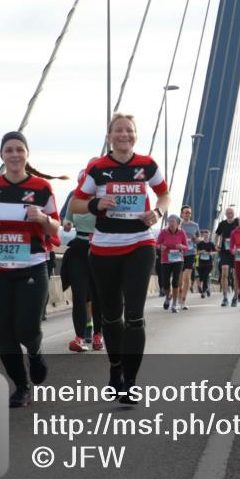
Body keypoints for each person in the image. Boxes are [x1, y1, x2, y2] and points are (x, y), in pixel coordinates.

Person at [70, 114, 169, 402]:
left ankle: (131, 382)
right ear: (109, 136)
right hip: (104, 249)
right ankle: (115, 369)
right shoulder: (98, 168)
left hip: (140, 244)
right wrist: (95, 203)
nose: (124, 135)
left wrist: (158, 212)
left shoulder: (147, 165)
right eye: (118, 130)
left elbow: (164, 194)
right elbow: (76, 204)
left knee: (135, 316)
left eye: (130, 130)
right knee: (112, 316)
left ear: (136, 135)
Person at [0, 131, 61, 408]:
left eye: (19, 149)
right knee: (2, 332)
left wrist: (43, 217)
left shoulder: (42, 188)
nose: (14, 154)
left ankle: (34, 351)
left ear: (27, 154)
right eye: (8, 150)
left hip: (32, 266)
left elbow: (56, 226)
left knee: (26, 327)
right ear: (2, 155)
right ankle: (21, 386)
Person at [61, 172, 103, 352]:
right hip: (79, 249)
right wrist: (67, 223)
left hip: (100, 249)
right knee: (79, 295)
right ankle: (79, 337)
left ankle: (97, 336)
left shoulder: (103, 199)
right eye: (80, 183)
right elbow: (66, 219)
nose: (83, 187)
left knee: (97, 295)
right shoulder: (75, 200)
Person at [156, 215, 187, 312]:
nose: (171, 223)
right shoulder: (163, 232)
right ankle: (167, 297)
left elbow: (186, 247)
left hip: (178, 259)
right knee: (165, 283)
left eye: (173, 221)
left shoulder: (182, 232)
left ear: (178, 223)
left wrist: (181, 246)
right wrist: (160, 246)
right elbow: (156, 244)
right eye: (169, 221)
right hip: (166, 259)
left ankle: (174, 304)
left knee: (175, 282)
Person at [214, 207, 239, 306]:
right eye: (228, 212)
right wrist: (216, 244)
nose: (230, 214)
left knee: (235, 275)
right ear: (225, 214)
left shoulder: (238, 222)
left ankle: (235, 297)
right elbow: (217, 235)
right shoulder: (222, 224)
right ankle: (225, 297)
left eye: (231, 212)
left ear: (234, 213)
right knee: (224, 272)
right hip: (225, 251)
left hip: (237, 252)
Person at [179, 205, 200, 309]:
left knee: (186, 277)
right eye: (186, 212)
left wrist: (196, 239)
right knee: (179, 280)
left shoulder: (195, 225)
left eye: (189, 213)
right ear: (182, 214)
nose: (187, 214)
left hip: (191, 253)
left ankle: (183, 301)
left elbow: (198, 237)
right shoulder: (178, 225)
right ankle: (178, 295)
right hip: (178, 254)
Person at [195, 230, 216, 298]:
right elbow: (196, 252)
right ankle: (207, 289)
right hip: (200, 263)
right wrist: (201, 251)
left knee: (206, 276)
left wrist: (210, 253)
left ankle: (203, 291)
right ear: (203, 236)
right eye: (204, 235)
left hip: (209, 263)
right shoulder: (200, 243)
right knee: (202, 277)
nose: (206, 236)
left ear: (209, 236)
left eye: (207, 235)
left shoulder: (211, 244)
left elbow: (215, 252)